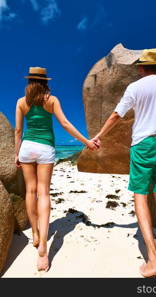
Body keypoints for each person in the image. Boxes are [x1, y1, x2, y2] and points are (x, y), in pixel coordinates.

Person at [90, 49, 156, 277]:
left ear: (141, 68)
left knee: (140, 195)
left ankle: (152, 259)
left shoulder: (135, 87)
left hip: (142, 144)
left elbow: (116, 115)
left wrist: (99, 135)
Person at [15, 67, 97, 271]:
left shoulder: (20, 102)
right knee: (43, 193)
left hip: (27, 147)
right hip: (45, 148)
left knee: (30, 191)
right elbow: (65, 123)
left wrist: (17, 154)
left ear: (29, 82)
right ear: (44, 82)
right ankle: (43, 245)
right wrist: (86, 141)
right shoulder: (51, 100)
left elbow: (18, 130)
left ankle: (35, 233)